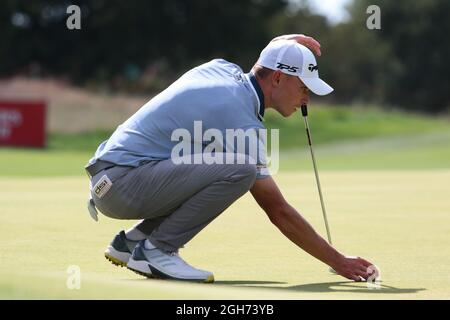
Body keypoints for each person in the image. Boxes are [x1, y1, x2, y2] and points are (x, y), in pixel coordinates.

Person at [85, 34, 374, 283]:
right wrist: (338, 260)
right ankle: (157, 250)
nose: (306, 99)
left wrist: (282, 44)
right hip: (122, 186)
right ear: (277, 78)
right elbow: (278, 211)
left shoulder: (220, 69)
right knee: (242, 169)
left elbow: (261, 64)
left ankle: (132, 242)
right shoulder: (242, 123)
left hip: (111, 180)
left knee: (215, 159)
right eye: (303, 87)